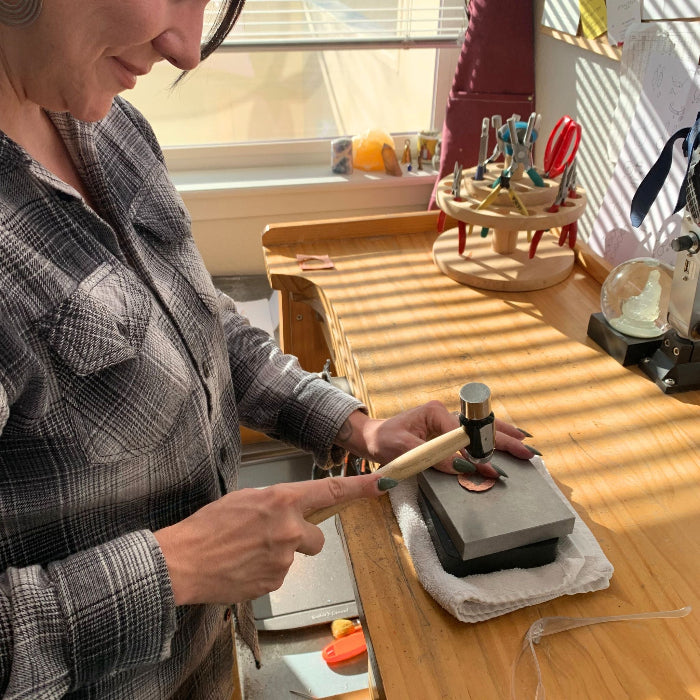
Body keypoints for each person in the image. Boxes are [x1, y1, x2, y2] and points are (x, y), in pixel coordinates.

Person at [0, 1, 536, 697]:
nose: (187, 49)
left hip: (203, 661)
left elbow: (196, 325)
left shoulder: (108, 127)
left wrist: (357, 425)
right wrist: (176, 568)